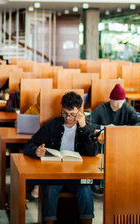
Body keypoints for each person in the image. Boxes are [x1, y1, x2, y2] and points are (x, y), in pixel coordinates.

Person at [23, 91, 98, 224]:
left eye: (72, 114)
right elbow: (29, 145)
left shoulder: (86, 127)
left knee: (86, 189)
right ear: (61, 109)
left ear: (80, 111)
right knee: (49, 188)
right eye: (65, 113)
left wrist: (84, 127)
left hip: (78, 176)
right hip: (55, 175)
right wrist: (36, 151)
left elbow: (93, 152)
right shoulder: (52, 126)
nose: (68, 117)